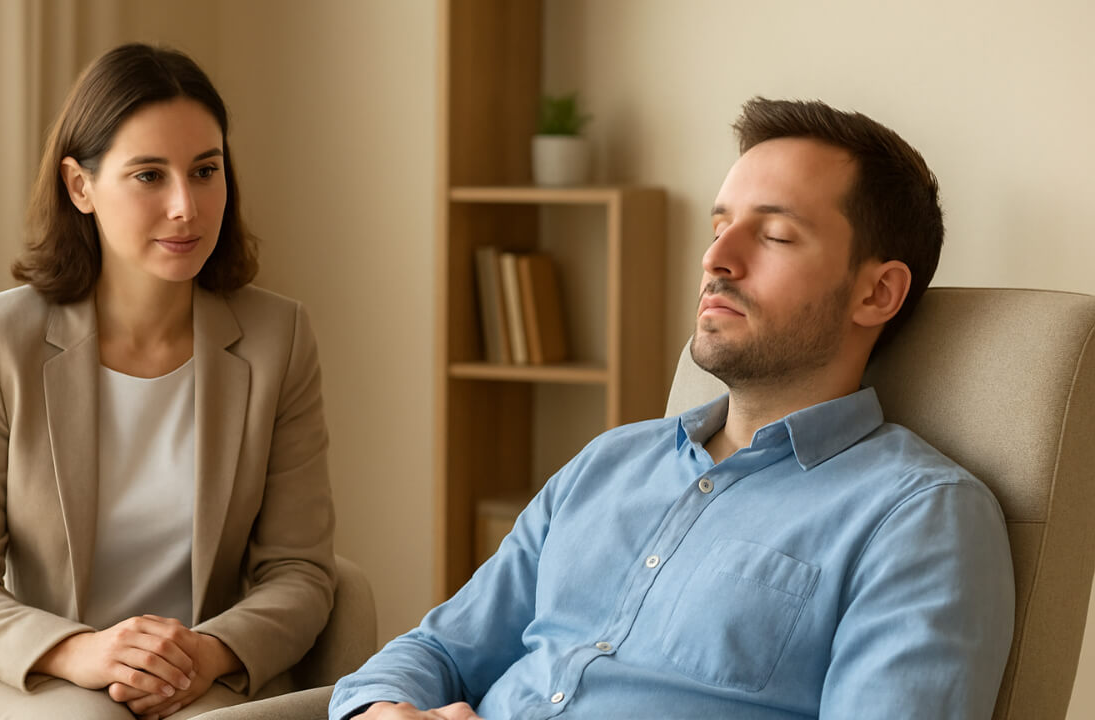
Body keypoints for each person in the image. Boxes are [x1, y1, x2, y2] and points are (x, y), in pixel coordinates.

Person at [330, 98, 1014, 720]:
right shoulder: (610, 461)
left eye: (774, 235)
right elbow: (437, 650)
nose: (716, 258)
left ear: (877, 293)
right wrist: (381, 711)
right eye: (719, 227)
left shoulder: (919, 516)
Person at [0, 43, 336, 720]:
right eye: (149, 175)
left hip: (197, 675)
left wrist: (209, 652)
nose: (186, 206)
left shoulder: (279, 338)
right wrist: (80, 651)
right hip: (26, 673)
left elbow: (300, 570)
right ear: (80, 187)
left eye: (205, 171)